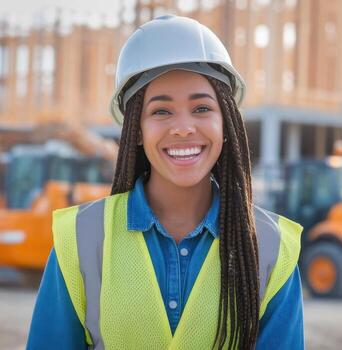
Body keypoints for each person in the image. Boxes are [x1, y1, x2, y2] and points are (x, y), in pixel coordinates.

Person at [27, 15, 304, 350]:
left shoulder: (272, 247)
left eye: (201, 108)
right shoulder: (82, 238)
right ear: (136, 131)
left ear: (226, 124)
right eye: (161, 111)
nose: (184, 128)